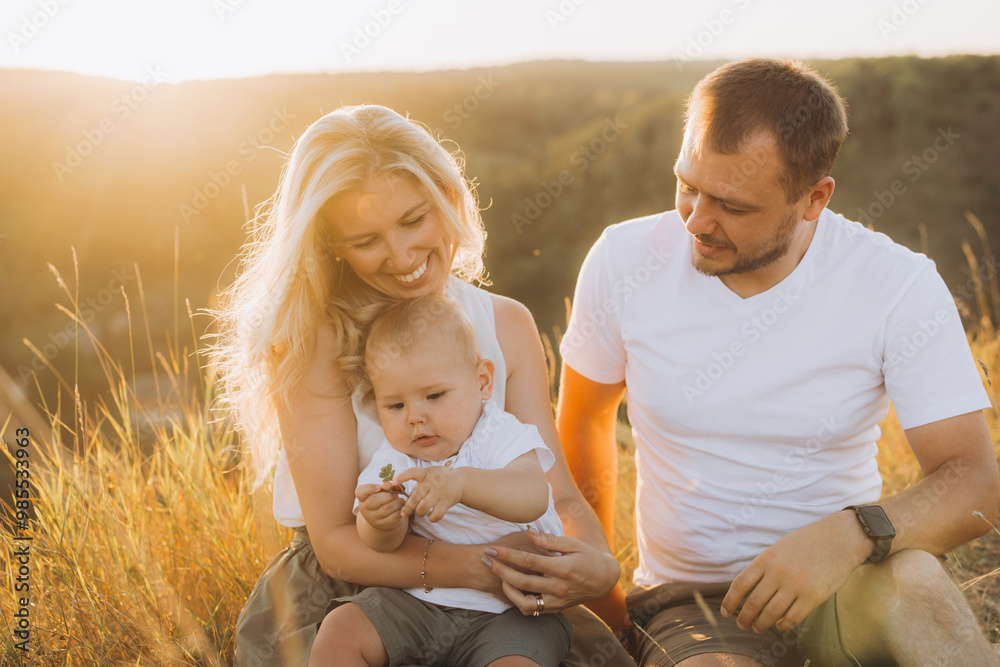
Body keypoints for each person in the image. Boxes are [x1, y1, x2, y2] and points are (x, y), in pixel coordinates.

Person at [557, 58, 1000, 666]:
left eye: (733, 207)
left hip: (856, 580)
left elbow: (974, 483)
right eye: (688, 186)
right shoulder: (622, 259)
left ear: (814, 198)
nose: (696, 222)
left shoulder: (897, 284)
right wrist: (603, 587)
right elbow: (582, 422)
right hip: (699, 605)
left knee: (919, 586)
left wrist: (847, 536)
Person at [211, 104, 634, 666]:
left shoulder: (505, 325)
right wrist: (488, 567)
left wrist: (600, 567)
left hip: (503, 592)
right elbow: (339, 543)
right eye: (366, 239)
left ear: (448, 197)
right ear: (330, 244)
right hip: (364, 587)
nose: (402, 256)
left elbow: (557, 497)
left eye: (414, 220)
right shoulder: (316, 341)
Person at [311, 294, 573, 666]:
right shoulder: (394, 460)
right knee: (340, 630)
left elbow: (533, 495)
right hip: (419, 600)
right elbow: (382, 545)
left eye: (434, 395)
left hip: (513, 611)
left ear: (482, 382)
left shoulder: (497, 434)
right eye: (396, 405)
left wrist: (462, 483)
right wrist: (379, 522)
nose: (415, 417)